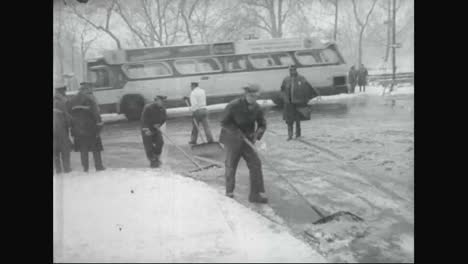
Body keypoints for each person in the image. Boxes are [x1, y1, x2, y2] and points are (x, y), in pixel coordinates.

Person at [219, 84, 268, 203]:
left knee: (256, 164)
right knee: (231, 165)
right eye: (251, 96)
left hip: (248, 141)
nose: (253, 99)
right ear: (246, 94)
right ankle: (229, 192)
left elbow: (262, 124)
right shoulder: (234, 105)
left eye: (256, 96)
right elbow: (223, 122)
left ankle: (256, 194)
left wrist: (257, 135)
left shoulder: (257, 108)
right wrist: (236, 132)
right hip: (232, 140)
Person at [68, 82, 105, 172]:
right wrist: (99, 125)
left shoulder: (72, 100)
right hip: (91, 128)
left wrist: (73, 127)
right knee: (96, 148)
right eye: (91, 88)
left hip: (78, 129)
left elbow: (69, 114)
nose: (92, 90)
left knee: (83, 149)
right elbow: (96, 113)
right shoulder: (90, 99)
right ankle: (99, 166)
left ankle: (85, 168)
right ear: (86, 89)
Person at [280, 65, 318, 140]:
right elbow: (282, 90)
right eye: (290, 70)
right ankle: (290, 136)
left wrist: (306, 99)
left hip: (299, 103)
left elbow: (309, 89)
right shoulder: (286, 79)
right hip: (289, 104)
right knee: (289, 120)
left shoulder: (301, 78)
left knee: (297, 120)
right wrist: (284, 98)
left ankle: (298, 135)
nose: (292, 71)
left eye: (293, 70)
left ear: (296, 70)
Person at [141, 95, 167, 168]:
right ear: (156, 100)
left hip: (156, 129)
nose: (162, 103)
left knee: (160, 142)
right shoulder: (148, 107)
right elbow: (144, 119)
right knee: (148, 145)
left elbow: (164, 118)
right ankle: (152, 159)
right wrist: (147, 129)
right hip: (147, 128)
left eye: (163, 101)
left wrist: (159, 124)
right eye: (161, 101)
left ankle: (156, 156)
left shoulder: (162, 109)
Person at [53, 84, 73, 174]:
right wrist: (70, 124)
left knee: (55, 150)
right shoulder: (62, 102)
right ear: (62, 91)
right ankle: (67, 168)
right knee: (65, 149)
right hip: (61, 128)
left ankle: (58, 169)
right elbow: (67, 116)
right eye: (64, 91)